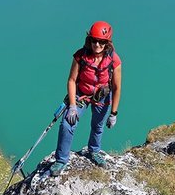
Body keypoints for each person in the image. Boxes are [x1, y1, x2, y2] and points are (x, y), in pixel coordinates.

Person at [50, 21, 122, 176]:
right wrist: (73, 106)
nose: (97, 44)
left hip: (101, 96)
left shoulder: (114, 60)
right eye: (94, 40)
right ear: (89, 40)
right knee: (67, 124)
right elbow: (71, 80)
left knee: (98, 125)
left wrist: (114, 113)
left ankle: (94, 151)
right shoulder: (80, 56)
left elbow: (116, 87)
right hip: (81, 94)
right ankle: (61, 160)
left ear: (107, 43)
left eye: (101, 41)